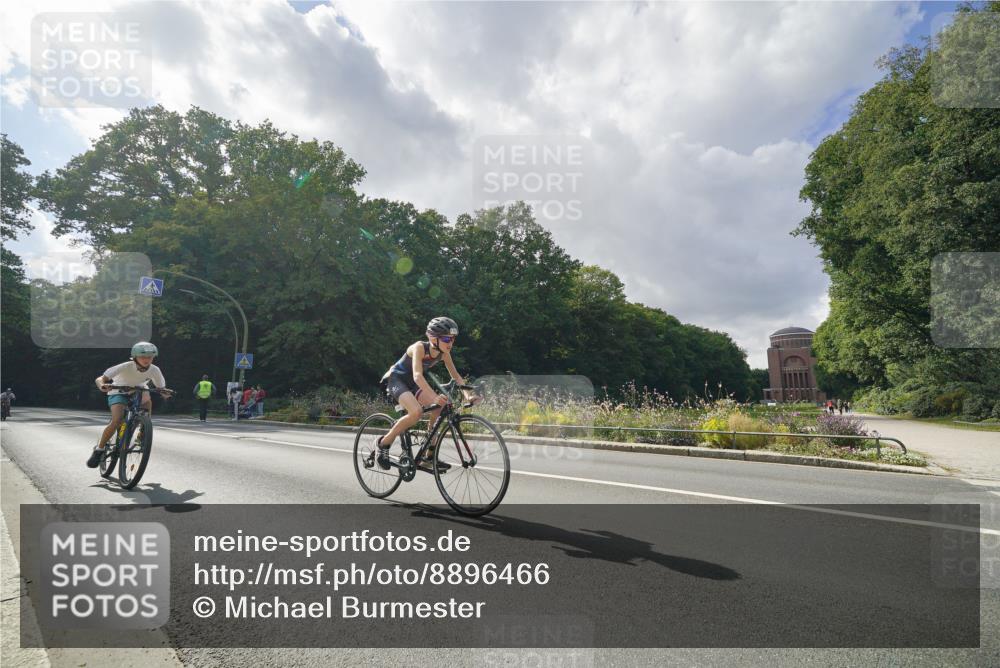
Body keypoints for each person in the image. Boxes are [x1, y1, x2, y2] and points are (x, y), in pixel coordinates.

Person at [376, 317, 477, 473]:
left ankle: (428, 455)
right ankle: (383, 443)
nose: (450, 343)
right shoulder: (419, 347)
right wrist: (433, 396)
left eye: (452, 339)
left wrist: (468, 395)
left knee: (440, 407)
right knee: (416, 412)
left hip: (413, 384)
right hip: (396, 380)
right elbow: (417, 375)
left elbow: (456, 376)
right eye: (445, 339)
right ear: (432, 337)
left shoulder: (444, 353)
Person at [89, 342, 173, 468]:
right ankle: (99, 450)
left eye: (150, 357)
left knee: (147, 401)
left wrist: (164, 392)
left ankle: (144, 430)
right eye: (143, 357)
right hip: (118, 390)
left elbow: (161, 387)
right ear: (135, 357)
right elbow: (100, 379)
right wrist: (102, 385)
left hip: (138, 390)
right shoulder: (125, 366)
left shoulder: (155, 370)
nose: (146, 360)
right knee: (117, 420)